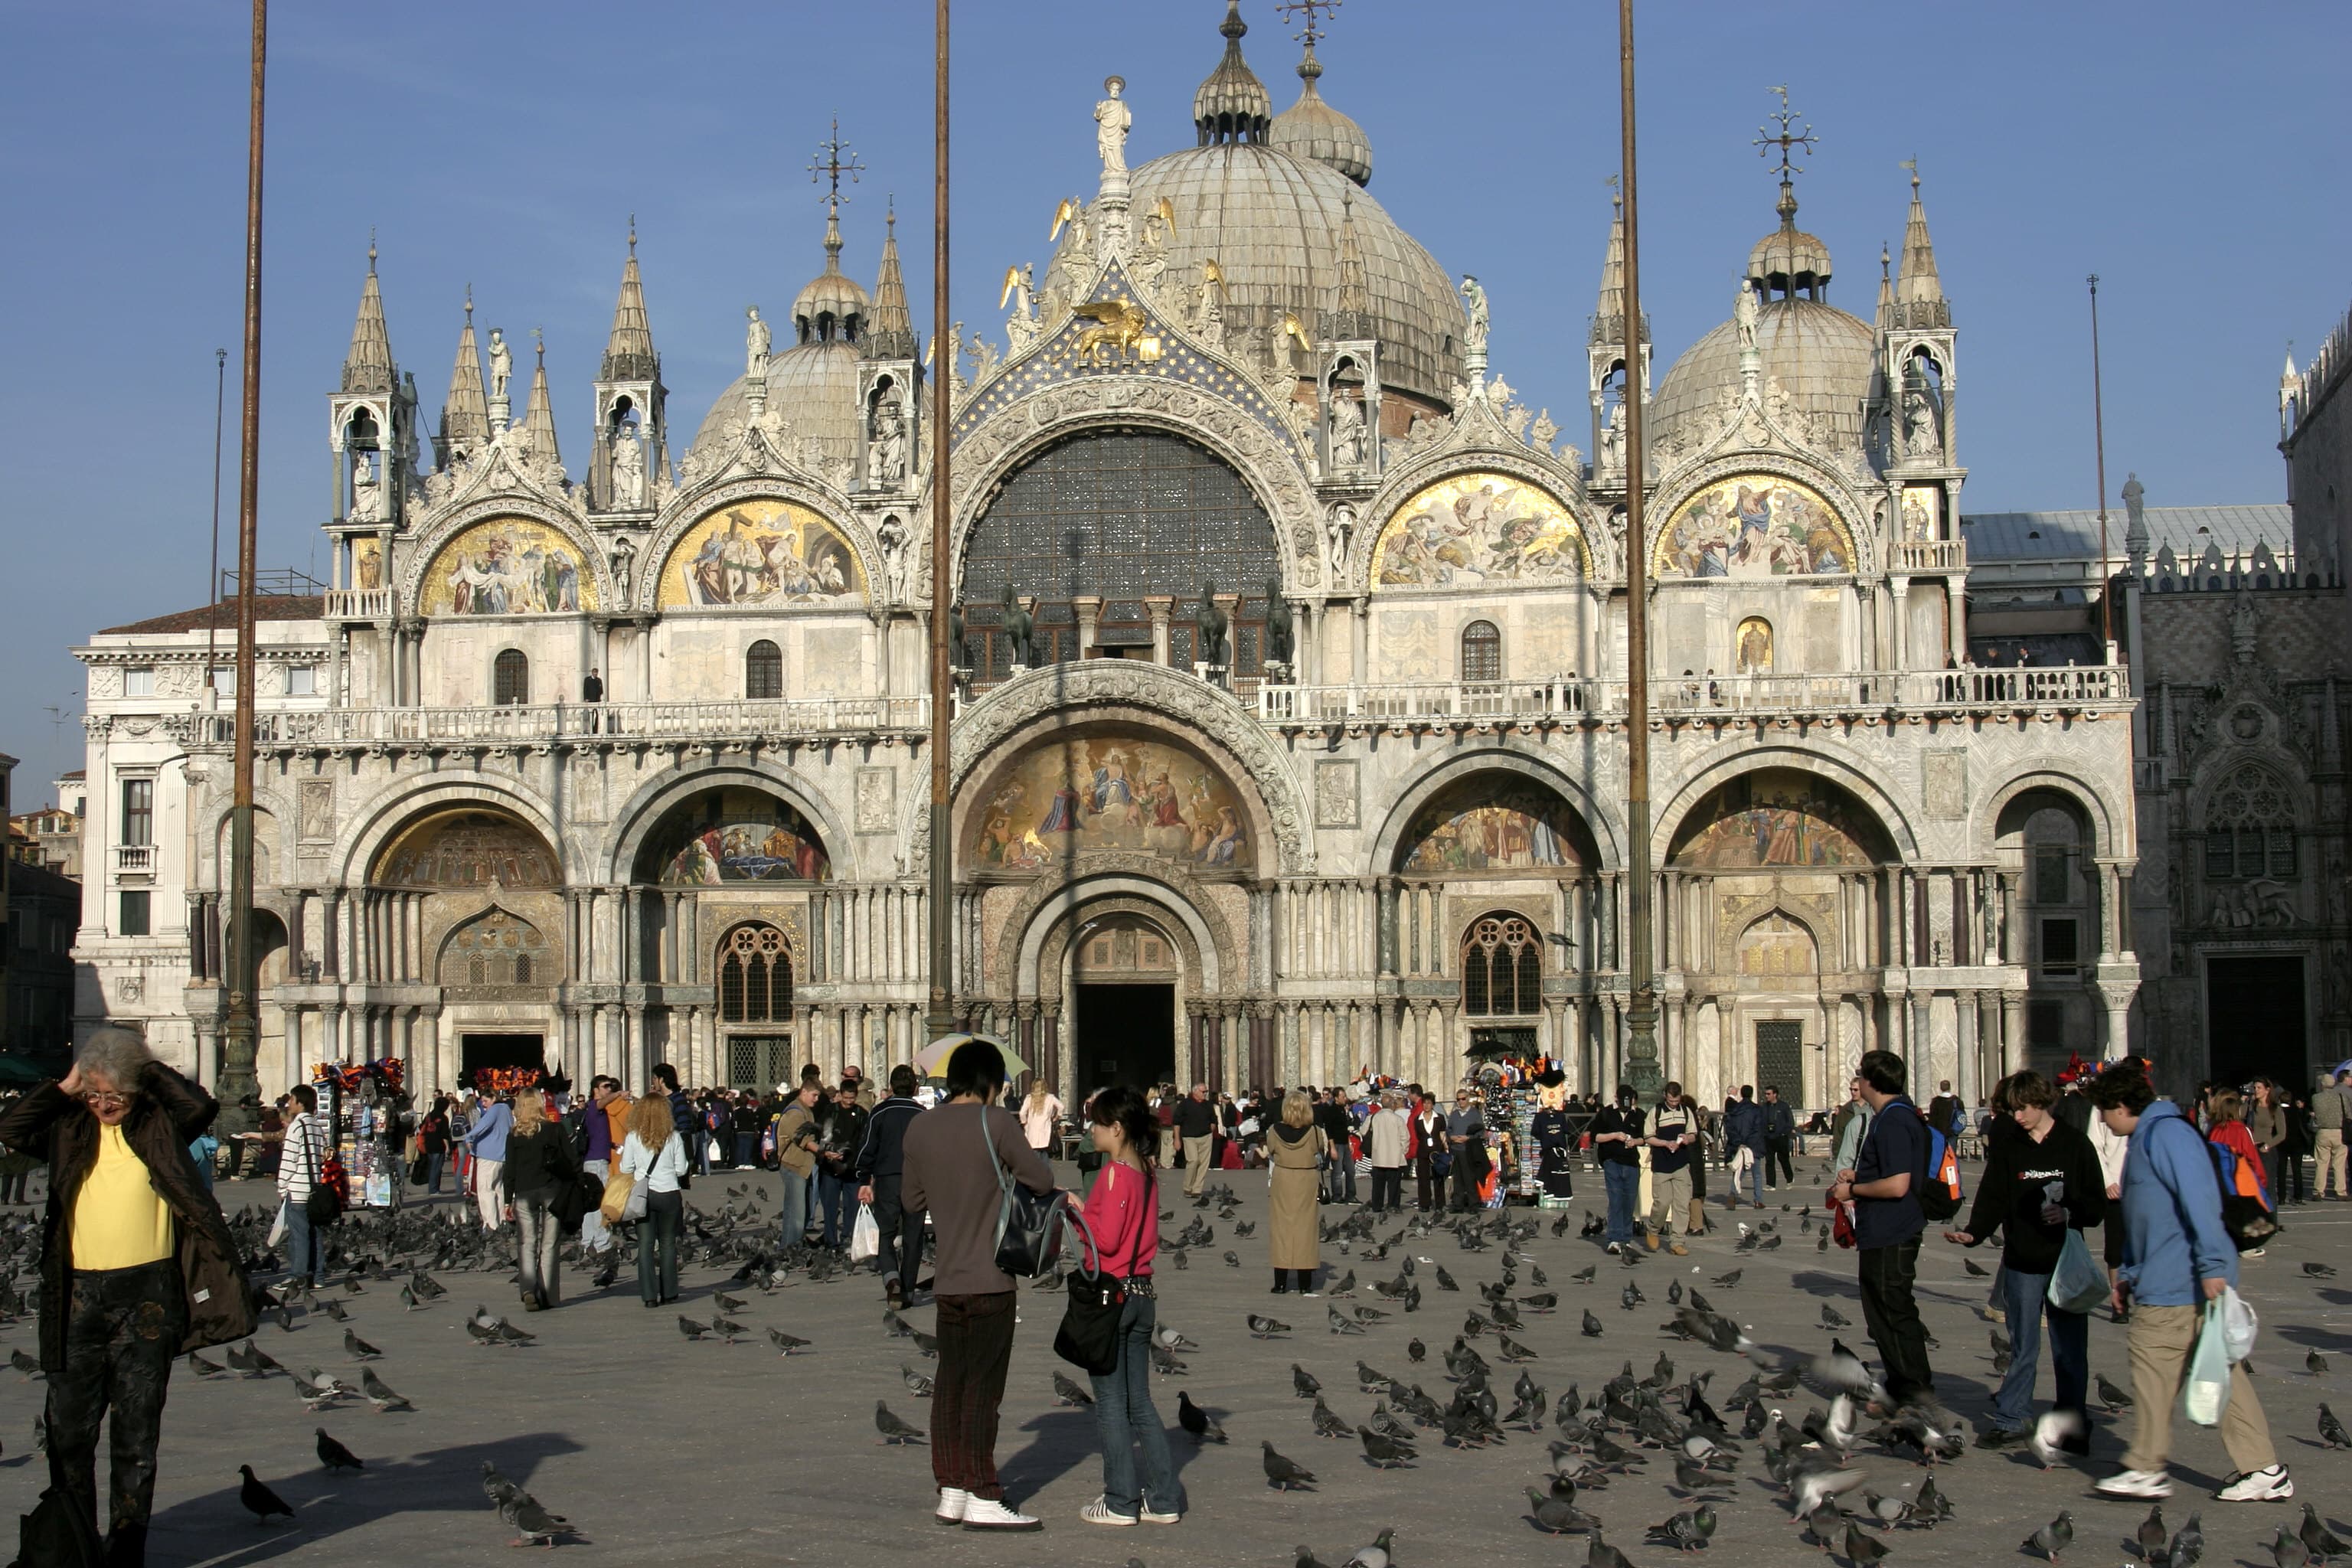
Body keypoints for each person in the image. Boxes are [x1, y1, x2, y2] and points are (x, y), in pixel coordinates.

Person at [0, 1027, 256, 1566]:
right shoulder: (69, 1126)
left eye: (114, 1095)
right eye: (95, 1095)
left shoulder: (158, 1125)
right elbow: (12, 1127)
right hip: (77, 1295)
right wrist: (68, 1083)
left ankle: (126, 1549)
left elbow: (201, 1105)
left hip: (148, 1295)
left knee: (137, 1432)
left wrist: (141, 1067)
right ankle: (76, 1541)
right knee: (68, 1430)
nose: (104, 1105)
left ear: (134, 1092)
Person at [2089, 1064, 2292, 1503]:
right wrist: (2128, 1272)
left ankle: (2146, 1466)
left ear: (2122, 1105)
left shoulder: (2168, 1135)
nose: (2102, 1121)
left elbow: (2199, 1197)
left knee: (2151, 1362)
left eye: (2104, 1111)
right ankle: (2264, 1470)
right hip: (2170, 1275)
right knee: (2221, 1372)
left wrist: (2214, 1265)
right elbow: (2148, 1220)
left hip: (2179, 1280)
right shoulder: (2152, 1136)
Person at [901, 1039, 1057, 1531]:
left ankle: (950, 1489)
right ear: (991, 1083)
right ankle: (984, 1492)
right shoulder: (999, 1123)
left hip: (947, 1280)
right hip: (991, 1278)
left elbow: (910, 1200)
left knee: (950, 1385)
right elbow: (1041, 1177)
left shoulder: (919, 1127)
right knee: (983, 1390)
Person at [1942, 1070, 2104, 1447]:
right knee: (2022, 1345)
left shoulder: (2075, 1145)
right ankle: (2013, 1417)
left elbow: (2096, 1204)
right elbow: (1993, 1197)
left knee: (2070, 1349)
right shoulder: (2010, 1147)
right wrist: (1974, 1233)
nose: (2017, 1117)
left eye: (2023, 1109)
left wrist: (2069, 1213)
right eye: (2011, 1110)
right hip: (2021, 1260)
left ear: (2043, 1102)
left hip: (2065, 1261)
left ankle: (2072, 1423)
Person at [1074, 1084, 1184, 1527]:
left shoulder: (1116, 1173)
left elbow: (1107, 1241)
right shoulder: (1147, 1172)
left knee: (1111, 1405)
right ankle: (1163, 1498)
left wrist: (1077, 1213)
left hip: (1111, 1298)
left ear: (1116, 1128)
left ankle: (1120, 1500)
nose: (1092, 1130)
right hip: (1142, 1295)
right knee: (1139, 1402)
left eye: (1098, 1123)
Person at [1831, 1049, 1935, 1410]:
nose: (1858, 1083)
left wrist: (1852, 1190)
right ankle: (1901, 1385)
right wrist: (1860, 1174)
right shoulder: (1894, 1116)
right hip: (1885, 1229)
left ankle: (1913, 1393)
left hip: (1893, 1231)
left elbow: (1897, 1185)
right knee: (1881, 1311)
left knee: (1892, 1312)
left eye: (1860, 1076)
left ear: (1871, 1082)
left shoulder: (1892, 1120)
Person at [855, 1064, 928, 1308]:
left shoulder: (879, 1112)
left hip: (887, 1180)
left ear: (892, 1086)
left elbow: (866, 1149)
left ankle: (891, 1278)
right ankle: (907, 1291)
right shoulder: (922, 1114)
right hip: (917, 1182)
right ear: (915, 1088)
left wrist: (864, 1180)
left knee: (885, 1234)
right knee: (913, 1236)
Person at [504, 1090, 582, 1310]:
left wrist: (507, 1200)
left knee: (526, 1243)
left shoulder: (514, 1134)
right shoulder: (554, 1129)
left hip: (523, 1193)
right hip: (551, 1190)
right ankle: (547, 1293)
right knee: (549, 1244)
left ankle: (528, 1289)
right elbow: (572, 1158)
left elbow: (509, 1170)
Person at [620, 1089, 686, 1307]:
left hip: (644, 1195)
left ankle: (649, 1296)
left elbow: (625, 1167)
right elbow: (682, 1169)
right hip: (668, 1194)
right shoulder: (674, 1137)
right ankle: (669, 1292)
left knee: (645, 1245)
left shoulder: (632, 1137)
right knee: (668, 1243)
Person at [1266, 1088, 1328, 1293]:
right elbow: (1321, 1151)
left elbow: (1271, 1150)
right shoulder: (1315, 1131)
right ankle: (1304, 1283)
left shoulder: (1274, 1130)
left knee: (1281, 1229)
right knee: (1306, 1230)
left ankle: (1281, 1283)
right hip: (1306, 1179)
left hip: (1283, 1178)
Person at [2205, 1087, 2272, 1255]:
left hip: (2218, 1181)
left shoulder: (2214, 1130)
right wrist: (2261, 1181)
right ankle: (2245, 1245)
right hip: (2240, 1180)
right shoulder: (2242, 1130)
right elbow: (2252, 1158)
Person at [278, 1085, 332, 1285]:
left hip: (298, 1189)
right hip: (314, 1188)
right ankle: (317, 1276)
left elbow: (289, 1160)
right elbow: (321, 1156)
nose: (288, 1103)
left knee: (299, 1235)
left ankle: (297, 1276)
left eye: (291, 1100)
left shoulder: (295, 1126)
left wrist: (282, 1187)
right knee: (315, 1233)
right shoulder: (316, 1126)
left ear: (300, 1103)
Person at [813, 1081, 868, 1250]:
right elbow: (821, 1135)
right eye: (846, 1098)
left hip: (852, 1169)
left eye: (852, 1098)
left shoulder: (861, 1114)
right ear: (840, 1095)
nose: (849, 1101)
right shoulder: (831, 1111)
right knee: (830, 1208)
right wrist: (828, 1153)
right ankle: (831, 1242)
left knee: (851, 1207)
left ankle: (847, 1239)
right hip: (830, 1167)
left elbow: (863, 1141)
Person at [1589, 1085, 1643, 1250]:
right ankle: (1614, 1238)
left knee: (1629, 1201)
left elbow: (1645, 1138)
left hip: (1632, 1163)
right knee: (1616, 1200)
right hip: (1612, 1162)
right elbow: (1595, 1137)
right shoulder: (1606, 1113)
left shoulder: (1639, 1115)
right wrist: (1614, 1135)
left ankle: (1625, 1238)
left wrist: (1634, 1141)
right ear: (1616, 1098)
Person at [1646, 1082, 1697, 1256]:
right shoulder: (1656, 1112)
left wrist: (1687, 1138)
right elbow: (1648, 1137)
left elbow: (1693, 1134)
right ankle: (1653, 1229)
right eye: (1670, 1100)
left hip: (1681, 1164)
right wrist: (1665, 1143)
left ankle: (1677, 1241)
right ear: (1665, 1096)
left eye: (1676, 1101)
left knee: (1682, 1204)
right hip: (1661, 1165)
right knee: (1662, 1203)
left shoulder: (1686, 1112)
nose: (1673, 1104)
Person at [770, 1081, 820, 1248]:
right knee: (796, 1212)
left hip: (802, 1165)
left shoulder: (805, 1110)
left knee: (800, 1209)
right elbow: (802, 1139)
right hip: (793, 1165)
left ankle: (792, 1245)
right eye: (814, 1095)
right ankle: (790, 1248)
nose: (817, 1099)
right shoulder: (795, 1113)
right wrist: (823, 1152)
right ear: (804, 1092)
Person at [578, 1077, 619, 1262]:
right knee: (601, 1204)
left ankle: (588, 1243)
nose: (609, 1089)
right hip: (596, 1164)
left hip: (594, 1161)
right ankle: (601, 1244)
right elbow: (603, 1101)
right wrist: (618, 1094)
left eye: (611, 1086)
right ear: (596, 1089)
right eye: (606, 1086)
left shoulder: (595, 1112)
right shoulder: (595, 1106)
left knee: (590, 1205)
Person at [459, 1089, 512, 1231]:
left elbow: (483, 1125)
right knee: (498, 1189)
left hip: (489, 1155)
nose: (483, 1104)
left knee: (485, 1190)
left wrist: (469, 1136)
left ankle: (490, 1225)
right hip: (502, 1155)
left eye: (485, 1101)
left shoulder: (495, 1110)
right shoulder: (506, 1109)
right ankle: (502, 1221)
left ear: (494, 1098)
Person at [1528, 1072, 1576, 1205]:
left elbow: (1565, 1130)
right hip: (1551, 1149)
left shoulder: (1559, 1116)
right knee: (1553, 1173)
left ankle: (1558, 1196)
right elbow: (1565, 1131)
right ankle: (1553, 1196)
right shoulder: (1542, 1117)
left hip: (1555, 1149)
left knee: (1557, 1173)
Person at [1364, 1091, 1410, 1214]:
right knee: (1394, 1185)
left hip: (1378, 1156)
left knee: (1378, 1185)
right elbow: (1405, 1137)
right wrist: (1402, 1151)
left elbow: (1363, 1131)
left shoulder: (1374, 1117)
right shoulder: (1397, 1119)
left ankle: (1377, 1206)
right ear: (1393, 1105)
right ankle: (1393, 1205)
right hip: (1394, 1158)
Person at [2246, 1078, 2286, 1209]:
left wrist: (2268, 1145)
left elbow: (2281, 1134)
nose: (2256, 1090)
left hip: (2266, 1150)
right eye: (2255, 1088)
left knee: (2268, 1186)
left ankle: (2271, 1219)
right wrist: (2244, 1101)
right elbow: (2237, 1116)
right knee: (2251, 1185)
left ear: (2267, 1090)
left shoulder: (2275, 1109)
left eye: (2259, 1088)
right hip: (2251, 1149)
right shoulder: (2251, 1106)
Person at [1724, 1086, 1766, 1208]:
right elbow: (1758, 1129)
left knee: (1739, 1172)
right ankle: (1758, 1200)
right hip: (1753, 1147)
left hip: (1740, 1146)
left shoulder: (1734, 1109)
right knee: (1756, 1174)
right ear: (1752, 1094)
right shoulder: (1757, 1110)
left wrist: (1739, 1142)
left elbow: (1730, 1128)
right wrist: (1749, 1143)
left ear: (1741, 1094)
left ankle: (1732, 1196)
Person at [2313, 1068, 2352, 1200]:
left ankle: (2318, 1191)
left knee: (2322, 1163)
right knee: (2339, 1164)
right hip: (2339, 1132)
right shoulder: (2341, 1097)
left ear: (2323, 1084)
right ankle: (2340, 1191)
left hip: (2323, 1131)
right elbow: (2348, 1114)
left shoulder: (2316, 1098)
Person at [1174, 1085, 1216, 1197]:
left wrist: (1209, 1132)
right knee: (1193, 1160)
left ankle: (1197, 1189)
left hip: (1205, 1137)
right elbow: (1177, 1122)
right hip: (1189, 1137)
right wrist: (1177, 1139)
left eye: (1206, 1091)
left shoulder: (1208, 1105)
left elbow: (1213, 1120)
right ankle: (1188, 1187)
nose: (1205, 1094)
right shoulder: (1185, 1104)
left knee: (1203, 1164)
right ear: (1195, 1091)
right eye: (1203, 1091)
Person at [1410, 1090, 1446, 1212]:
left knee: (1438, 1177)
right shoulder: (1417, 1120)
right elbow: (1419, 1136)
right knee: (1423, 1178)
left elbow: (1442, 1134)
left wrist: (1445, 1149)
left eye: (1429, 1103)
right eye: (1424, 1103)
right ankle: (1425, 1203)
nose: (1426, 1106)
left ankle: (1440, 1204)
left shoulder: (1440, 1118)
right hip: (1423, 1150)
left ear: (1433, 1105)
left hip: (1437, 1150)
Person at [1831, 1075, 1873, 1174]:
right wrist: (1838, 1155)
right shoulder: (1845, 1110)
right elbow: (1838, 1134)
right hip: (1851, 1155)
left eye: (1856, 1090)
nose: (1852, 1092)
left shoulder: (1872, 1107)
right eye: (1851, 1090)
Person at [1020, 1080, 1065, 1167]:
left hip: (1032, 1130)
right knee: (1044, 1154)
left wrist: (1024, 1122)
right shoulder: (1050, 1098)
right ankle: (1045, 1175)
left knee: (1034, 1154)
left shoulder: (1029, 1098)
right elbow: (1061, 1107)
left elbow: (1022, 1113)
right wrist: (1057, 1117)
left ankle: (1035, 1174)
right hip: (1045, 1129)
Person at [1761, 1084, 1796, 1190]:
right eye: (1766, 1094)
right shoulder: (1764, 1107)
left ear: (1775, 1095)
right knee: (1769, 1161)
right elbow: (1761, 1121)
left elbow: (1790, 1121)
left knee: (1783, 1159)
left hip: (1781, 1137)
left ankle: (1789, 1178)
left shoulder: (1784, 1106)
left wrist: (1784, 1132)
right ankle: (1771, 1184)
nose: (1767, 1096)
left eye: (1769, 1094)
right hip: (1768, 1137)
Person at [417, 1094, 452, 1194]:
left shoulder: (429, 1116)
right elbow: (444, 1134)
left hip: (428, 1143)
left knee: (432, 1166)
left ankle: (434, 1188)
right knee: (436, 1168)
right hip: (439, 1145)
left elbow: (421, 1127)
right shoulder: (443, 1118)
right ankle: (433, 1189)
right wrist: (447, 1147)